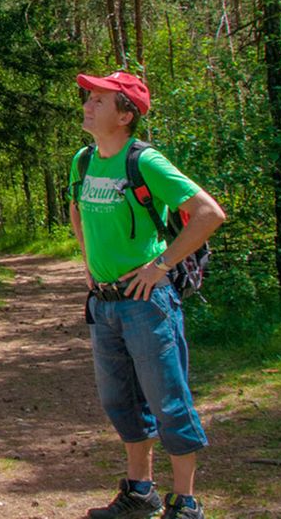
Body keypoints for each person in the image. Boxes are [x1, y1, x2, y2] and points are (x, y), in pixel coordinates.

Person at [70, 72, 226, 519]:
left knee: (168, 400)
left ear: (125, 115)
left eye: (99, 100)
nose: (88, 105)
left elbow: (208, 213)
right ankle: (141, 492)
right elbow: (77, 209)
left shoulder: (146, 162)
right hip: (104, 305)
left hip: (147, 306)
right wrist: (88, 265)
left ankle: (186, 502)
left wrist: (161, 266)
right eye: (89, 97)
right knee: (121, 403)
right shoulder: (82, 161)